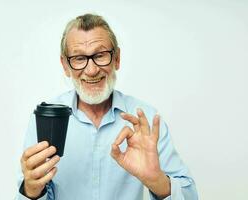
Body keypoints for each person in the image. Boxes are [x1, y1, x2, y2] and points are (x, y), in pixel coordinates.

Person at [17, 13, 198, 200]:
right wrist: (31, 190)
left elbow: (190, 196)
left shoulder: (146, 120)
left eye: (100, 55)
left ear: (117, 58)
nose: (92, 70)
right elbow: (32, 188)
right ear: (65, 65)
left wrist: (157, 181)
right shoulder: (45, 119)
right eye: (79, 58)